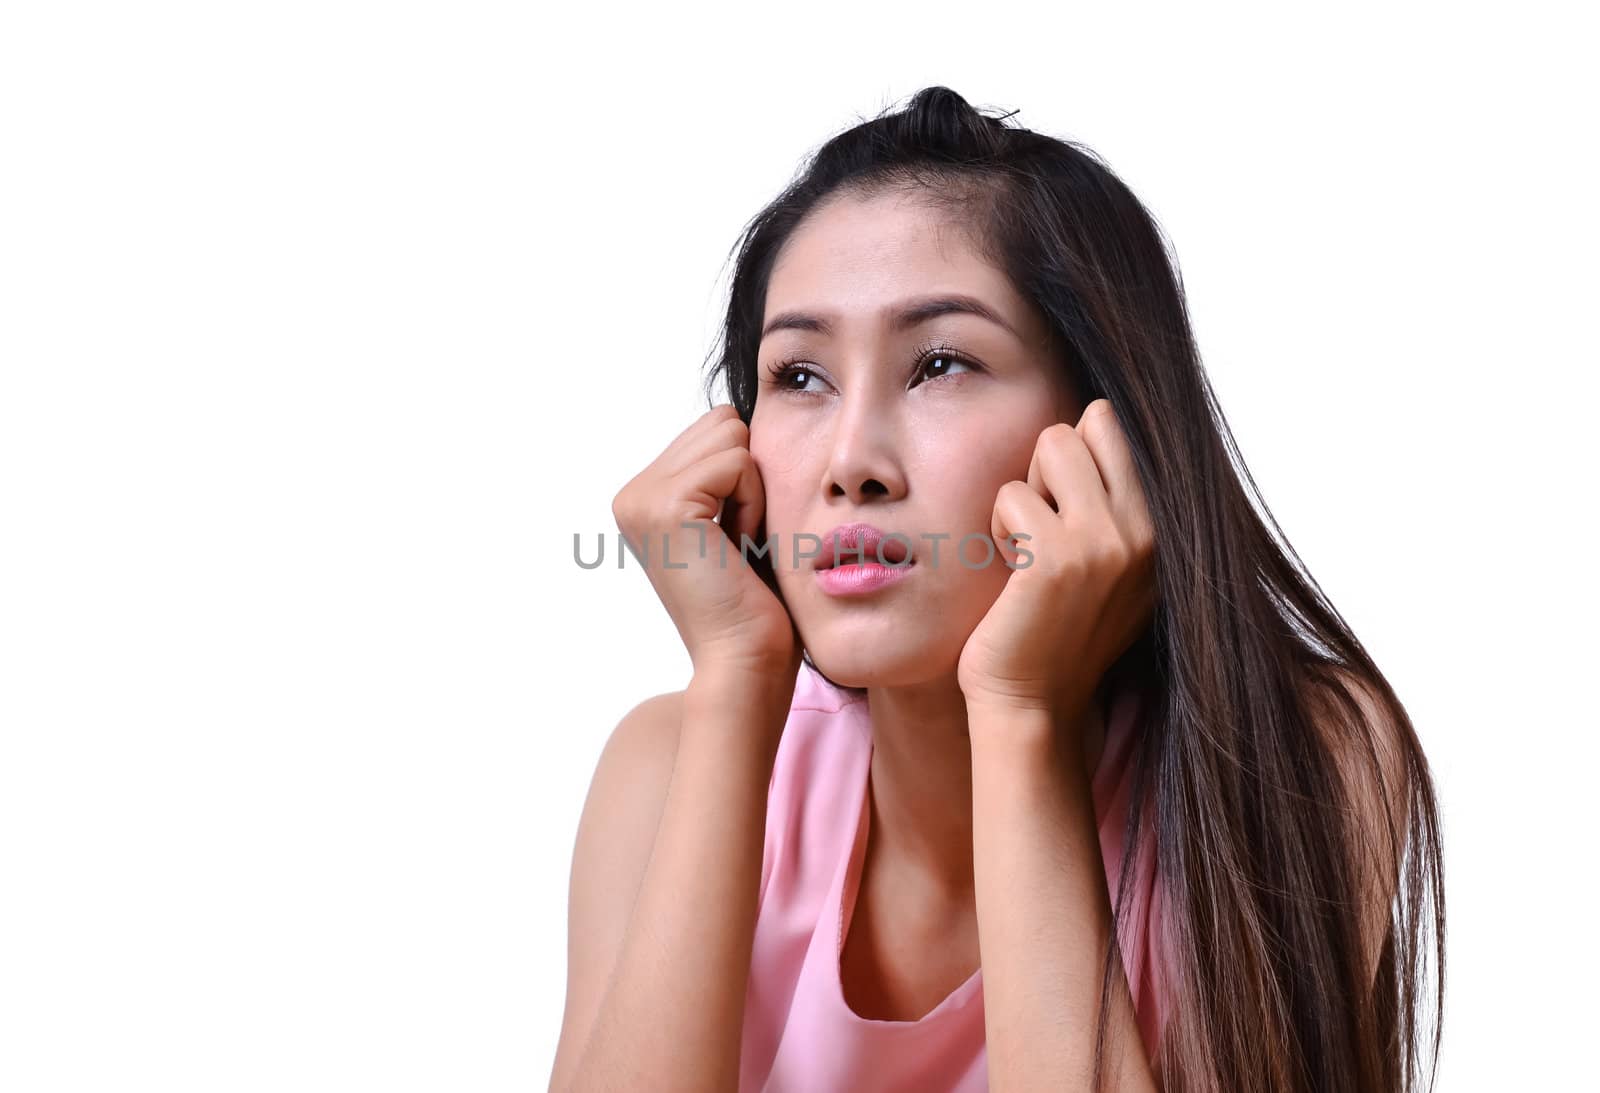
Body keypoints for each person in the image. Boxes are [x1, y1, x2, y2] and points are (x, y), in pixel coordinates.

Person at [548, 86, 1445, 1093]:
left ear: (1103, 430)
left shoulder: (1299, 761)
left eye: (939, 364)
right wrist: (737, 674)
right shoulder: (667, 764)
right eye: (799, 376)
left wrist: (1021, 716)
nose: (852, 462)